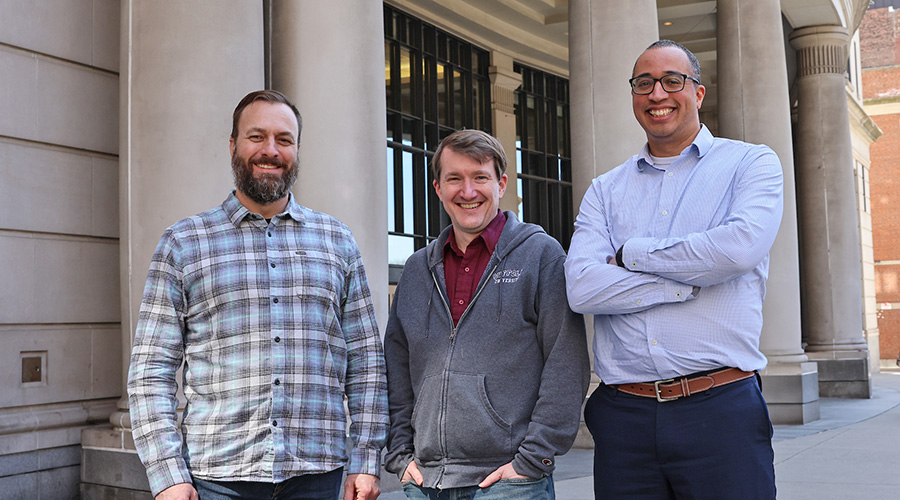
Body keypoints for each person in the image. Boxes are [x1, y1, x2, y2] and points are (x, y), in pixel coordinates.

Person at [127, 90, 388, 500]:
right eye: (257, 137)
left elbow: (366, 359)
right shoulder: (183, 243)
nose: (270, 150)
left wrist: (367, 458)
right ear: (233, 145)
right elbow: (151, 370)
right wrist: (167, 474)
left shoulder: (337, 241)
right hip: (217, 477)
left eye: (284, 139)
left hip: (317, 473)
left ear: (297, 150)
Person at [565, 40, 781, 500]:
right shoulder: (605, 190)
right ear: (634, 96)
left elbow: (737, 251)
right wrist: (687, 282)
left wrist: (630, 254)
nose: (657, 93)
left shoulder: (750, 163)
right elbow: (582, 287)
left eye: (672, 81)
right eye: (644, 83)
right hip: (625, 418)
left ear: (698, 93)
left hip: (720, 410)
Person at [383, 129, 590, 500]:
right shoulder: (417, 270)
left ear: (501, 184)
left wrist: (532, 460)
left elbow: (566, 362)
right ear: (437, 188)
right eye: (454, 179)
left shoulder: (541, 256)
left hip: (509, 482)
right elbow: (396, 367)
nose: (468, 191)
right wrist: (399, 454)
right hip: (424, 482)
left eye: (480, 177)